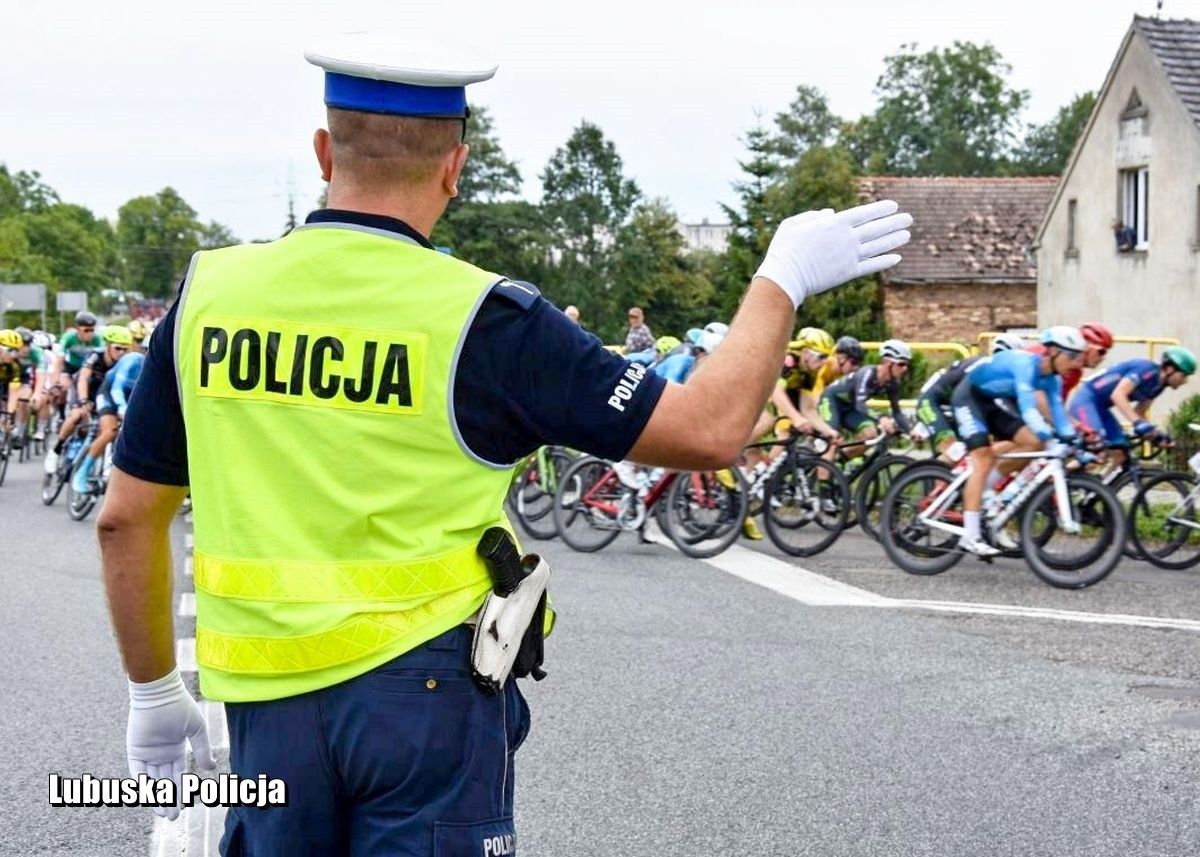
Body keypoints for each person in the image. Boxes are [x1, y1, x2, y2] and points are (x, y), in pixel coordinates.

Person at [97, 31, 911, 854]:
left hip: (264, 707)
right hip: (426, 704)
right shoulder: (489, 319)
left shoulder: (210, 295)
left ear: (322, 151)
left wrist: (154, 691)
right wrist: (782, 278)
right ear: (456, 167)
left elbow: (127, 517)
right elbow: (708, 428)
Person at [950, 326, 1085, 557]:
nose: (1075, 363)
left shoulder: (1053, 381)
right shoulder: (1026, 366)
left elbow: (1059, 416)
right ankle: (969, 537)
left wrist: (1074, 438)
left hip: (992, 402)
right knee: (982, 459)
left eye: (1078, 357)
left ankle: (986, 492)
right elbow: (1028, 409)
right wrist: (1052, 436)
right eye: (1071, 356)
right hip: (968, 397)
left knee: (1034, 443)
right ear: (1052, 351)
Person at [1068, 345, 1197, 468]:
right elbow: (1118, 395)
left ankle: (1103, 489)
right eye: (1183, 375)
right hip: (1086, 401)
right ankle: (1059, 480)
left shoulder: (1158, 386)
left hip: (1101, 407)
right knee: (1096, 453)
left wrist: (1155, 435)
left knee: (1120, 453)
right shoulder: (1147, 370)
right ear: (1169, 369)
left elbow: (1140, 413)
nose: (1185, 381)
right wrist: (1138, 423)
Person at [915, 333, 1025, 459]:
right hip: (931, 402)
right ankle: (931, 475)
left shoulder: (993, 369)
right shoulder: (985, 368)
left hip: (952, 403)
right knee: (954, 452)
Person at [1027, 321, 1112, 400]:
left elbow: (1057, 404)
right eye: (1101, 352)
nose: (1103, 358)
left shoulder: (1075, 373)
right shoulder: (1038, 356)